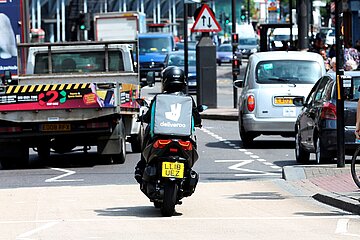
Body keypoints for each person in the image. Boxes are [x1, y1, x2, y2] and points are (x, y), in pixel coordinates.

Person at [134, 66, 202, 183]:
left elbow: (149, 116)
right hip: (183, 139)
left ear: (165, 81)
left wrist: (143, 117)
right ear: (183, 82)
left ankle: (142, 166)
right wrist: (198, 123)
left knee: (147, 132)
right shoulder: (188, 99)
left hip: (161, 137)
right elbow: (196, 118)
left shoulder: (159, 98)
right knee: (193, 140)